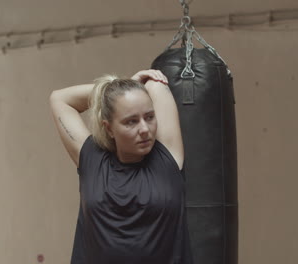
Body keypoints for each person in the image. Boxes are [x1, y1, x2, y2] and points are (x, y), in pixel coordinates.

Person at [49, 69, 194, 264]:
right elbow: (59, 99)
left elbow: (155, 85)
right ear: (109, 128)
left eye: (149, 117)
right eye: (131, 121)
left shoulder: (167, 158)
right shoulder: (93, 159)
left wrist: (129, 88)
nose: (144, 129)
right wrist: (113, 90)